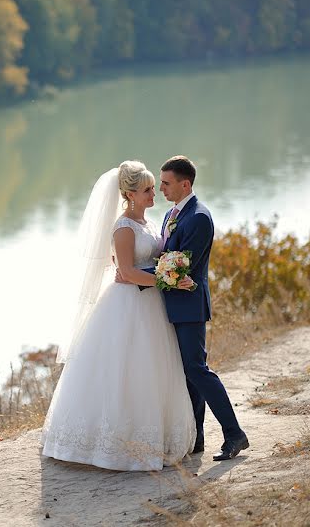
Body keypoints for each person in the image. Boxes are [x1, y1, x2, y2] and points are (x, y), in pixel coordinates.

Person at [41, 161, 196, 471]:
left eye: (155, 187)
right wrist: (170, 280)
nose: (155, 193)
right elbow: (125, 272)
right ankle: (110, 445)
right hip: (127, 306)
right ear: (129, 194)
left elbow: (149, 264)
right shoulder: (123, 228)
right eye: (147, 190)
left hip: (151, 305)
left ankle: (156, 439)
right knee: (123, 370)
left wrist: (166, 273)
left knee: (152, 370)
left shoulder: (150, 223)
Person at [117, 155, 249, 461]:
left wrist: (132, 276)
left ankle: (234, 434)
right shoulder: (172, 215)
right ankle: (196, 437)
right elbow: (163, 261)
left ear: (184, 183)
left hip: (189, 305)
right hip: (167, 305)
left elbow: (180, 270)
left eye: (165, 183)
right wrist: (126, 268)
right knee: (186, 373)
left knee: (197, 370)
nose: (159, 189)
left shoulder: (198, 217)